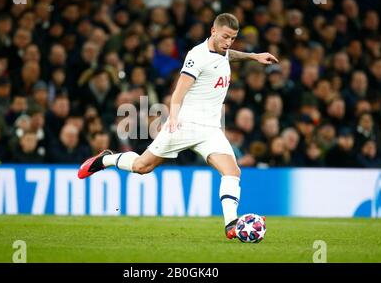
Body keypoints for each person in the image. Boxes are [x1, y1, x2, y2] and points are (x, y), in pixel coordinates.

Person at [77, 13, 278, 240]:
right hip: (186, 124)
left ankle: (231, 223)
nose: (228, 42)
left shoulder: (223, 51)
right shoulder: (196, 56)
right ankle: (106, 159)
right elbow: (178, 92)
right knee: (143, 166)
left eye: (233, 38)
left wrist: (253, 56)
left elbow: (229, 55)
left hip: (211, 129)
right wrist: (173, 117)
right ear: (213, 31)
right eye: (225, 37)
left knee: (232, 172)